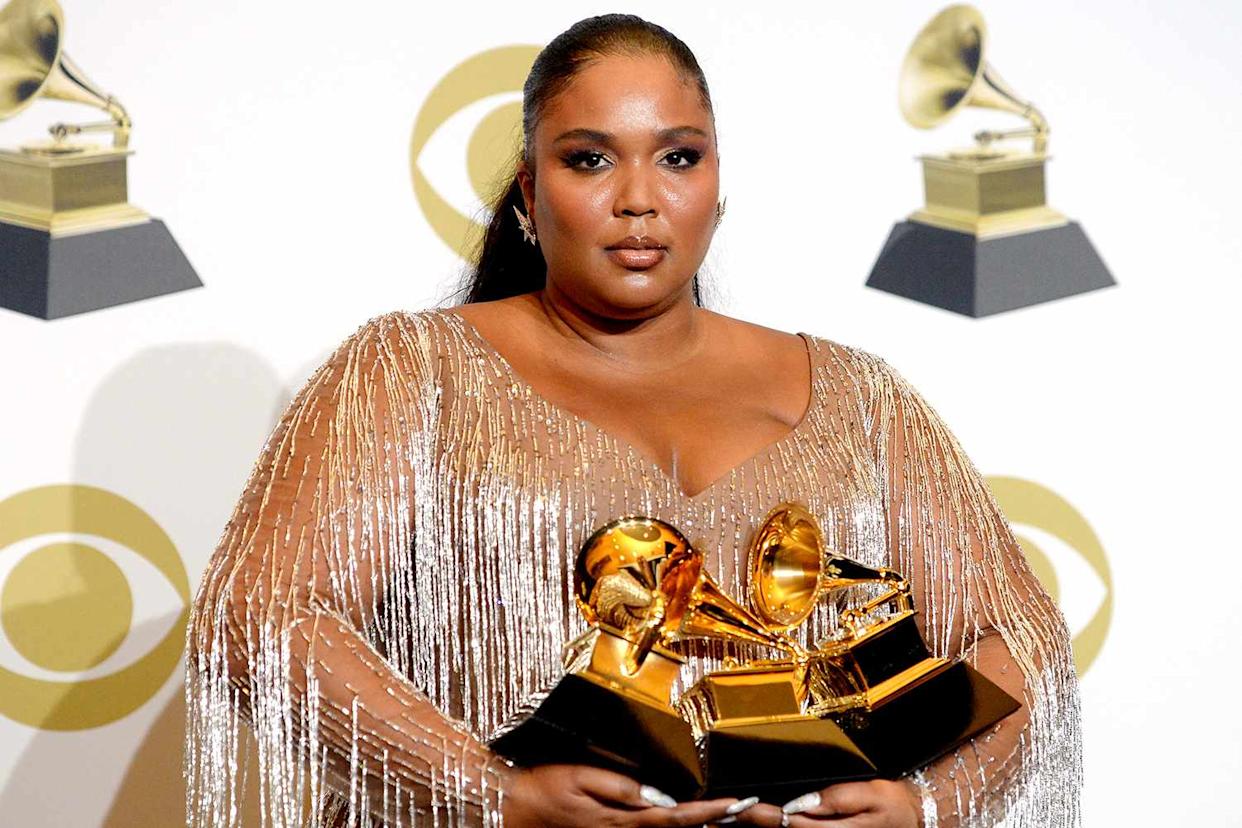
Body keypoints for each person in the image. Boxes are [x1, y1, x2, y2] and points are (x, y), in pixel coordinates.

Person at [185, 13, 1082, 828]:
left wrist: (928, 809)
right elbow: (257, 616)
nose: (639, 200)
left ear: (719, 187)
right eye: (590, 159)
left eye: (679, 157)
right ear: (529, 199)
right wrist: (494, 795)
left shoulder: (859, 398)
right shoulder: (411, 371)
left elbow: (1027, 640)